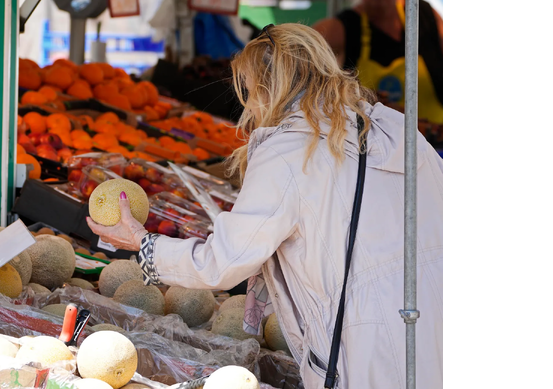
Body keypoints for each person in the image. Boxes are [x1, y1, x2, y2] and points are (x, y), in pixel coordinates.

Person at [87, 23, 443, 389]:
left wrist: (144, 245)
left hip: (369, 342)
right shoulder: (396, 127)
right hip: (430, 321)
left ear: (266, 88)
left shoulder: (288, 151)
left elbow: (224, 261)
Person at [312, 0, 443, 144]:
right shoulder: (344, 26)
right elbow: (300, 48)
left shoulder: (423, 15)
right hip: (373, 149)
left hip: (436, 141)